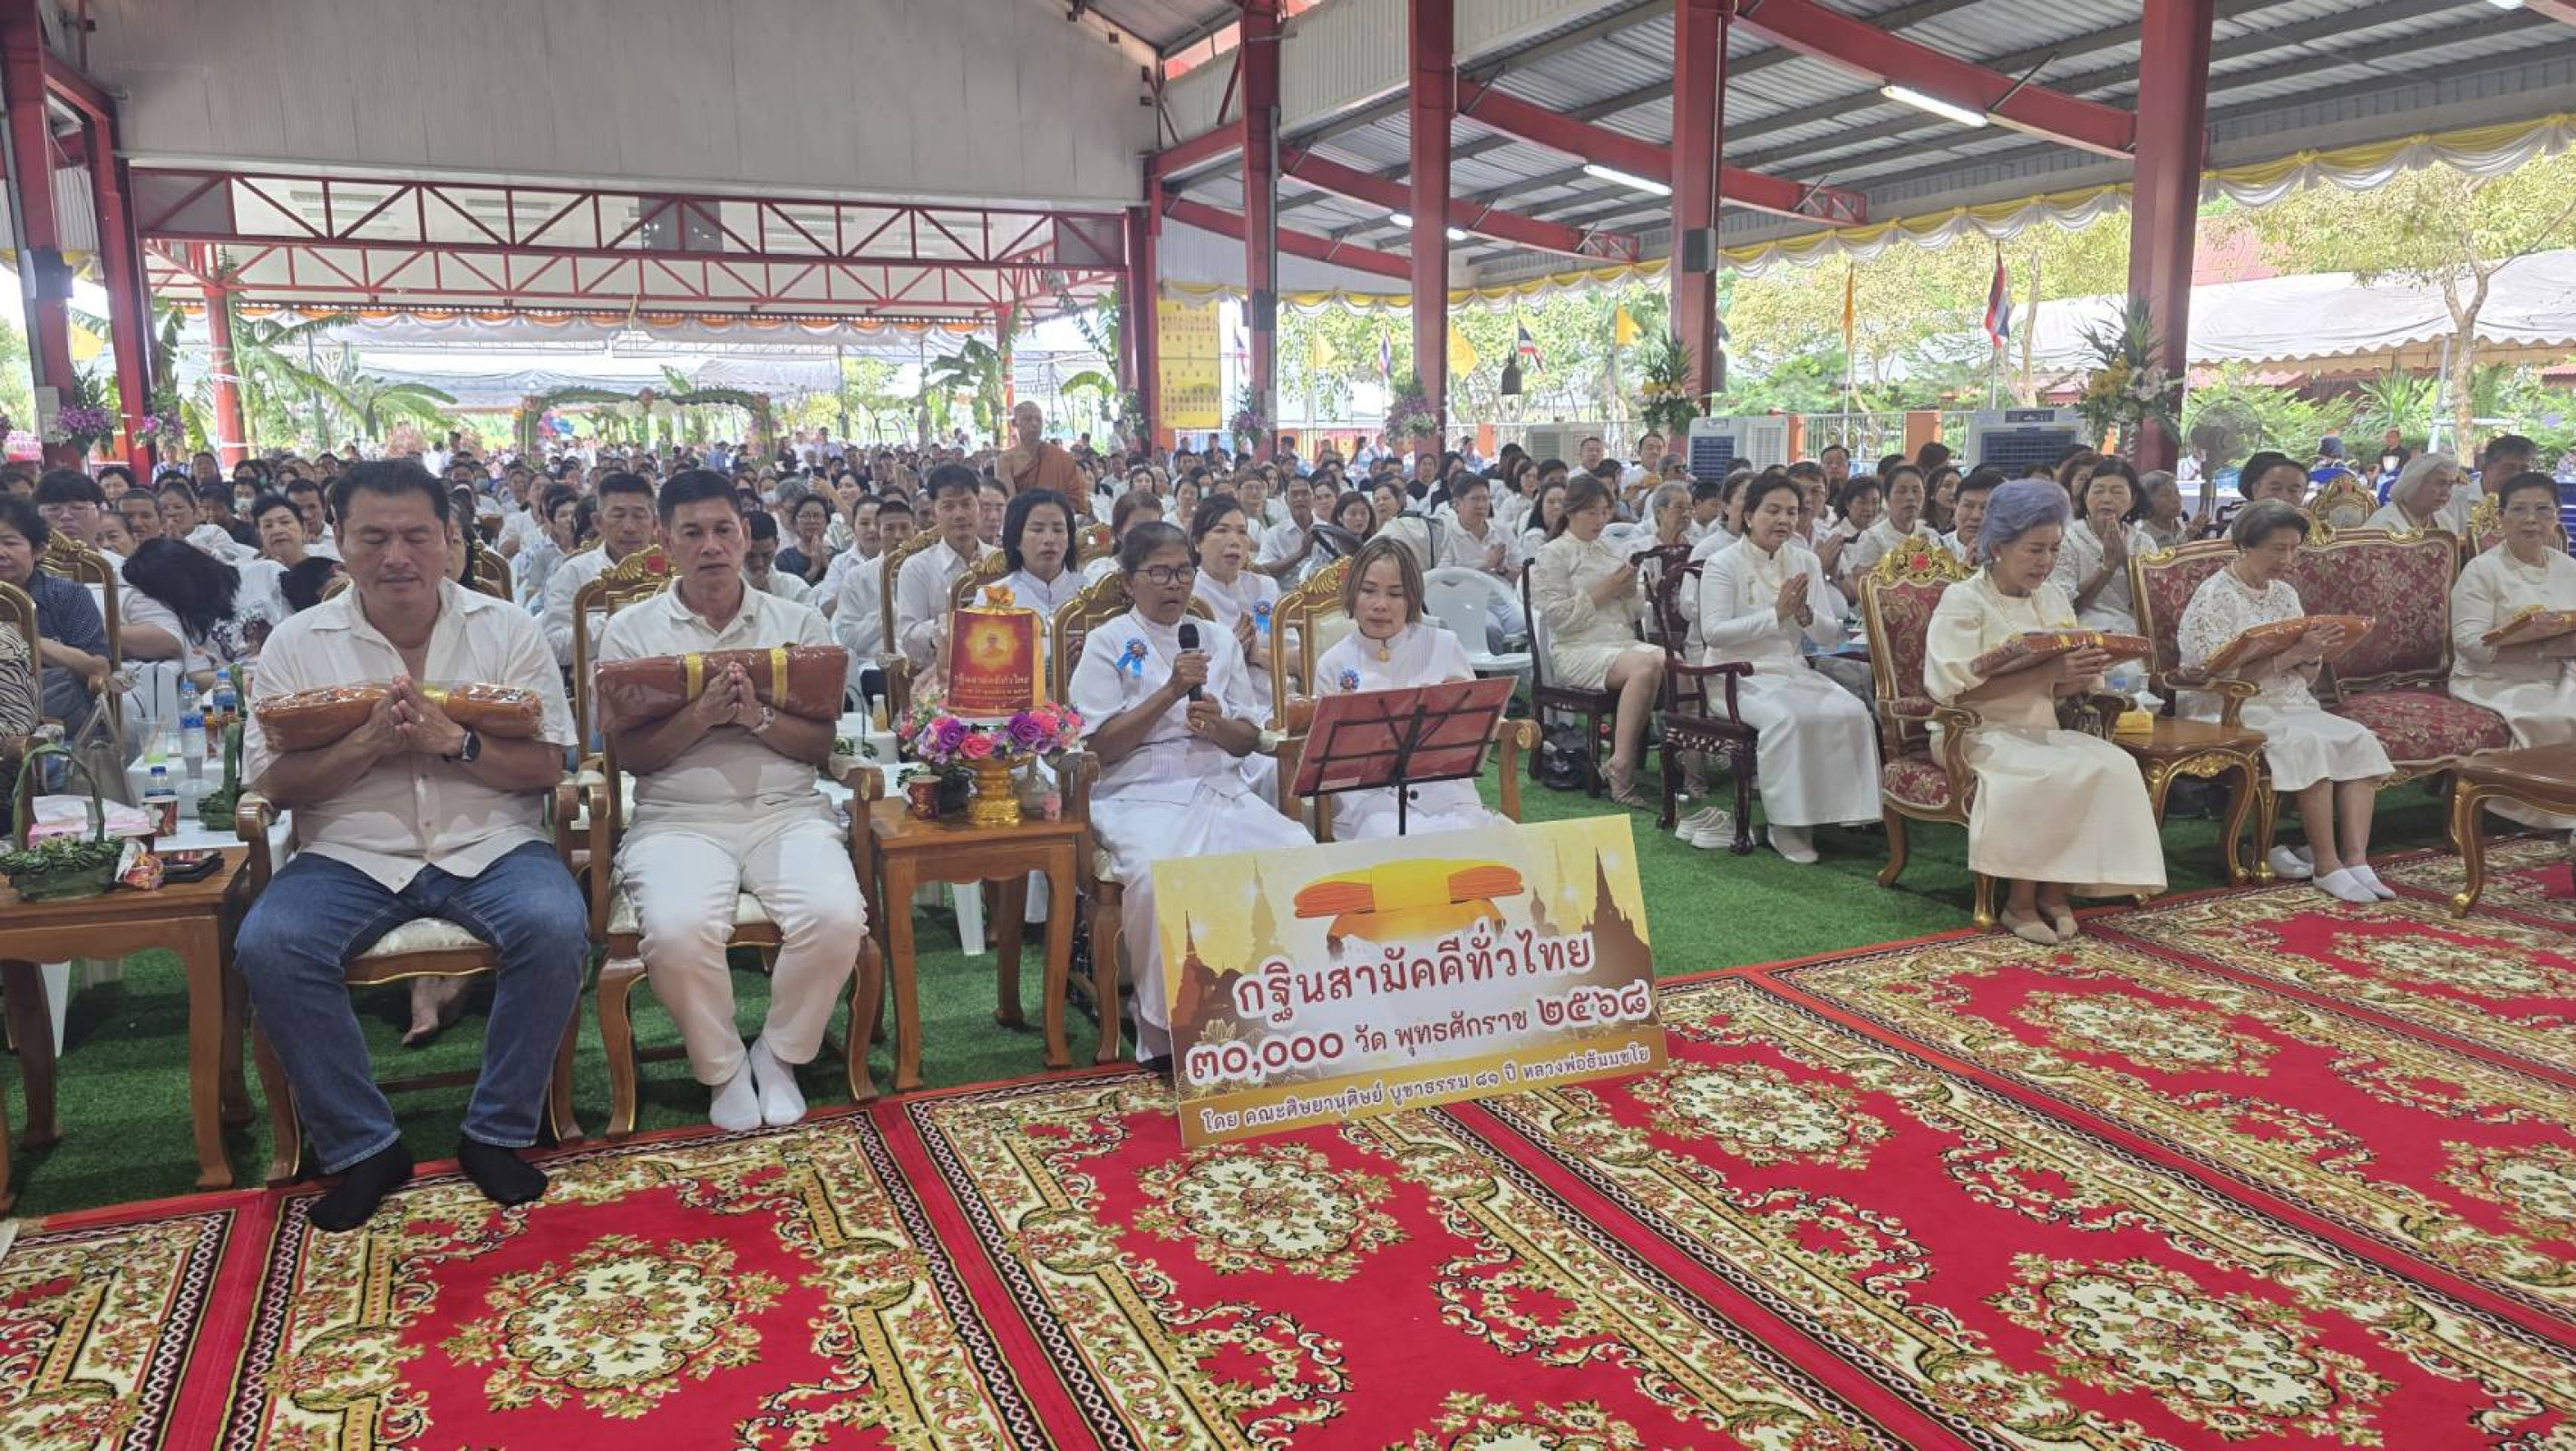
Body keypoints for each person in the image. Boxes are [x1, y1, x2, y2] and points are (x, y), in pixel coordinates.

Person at [232, 461, 587, 1231]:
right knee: (272, 943)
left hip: (490, 840)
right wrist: (366, 745)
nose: (397, 556)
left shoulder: (506, 629)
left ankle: (497, 1130)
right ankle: (363, 1146)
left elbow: (546, 766)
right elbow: (273, 783)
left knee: (556, 925)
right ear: (338, 539)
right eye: (374, 537)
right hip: (350, 850)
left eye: (416, 535)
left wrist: (454, 742)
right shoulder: (298, 643)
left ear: (449, 537)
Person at [598, 470, 862, 1131]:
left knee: (835, 919)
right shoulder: (632, 631)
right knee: (678, 932)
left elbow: (819, 743)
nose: (710, 546)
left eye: (723, 530)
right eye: (692, 533)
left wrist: (755, 718)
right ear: (666, 542)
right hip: (677, 819)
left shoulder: (797, 621)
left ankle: (779, 1053)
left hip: (786, 812)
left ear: (745, 535)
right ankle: (720, 1068)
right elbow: (630, 757)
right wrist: (700, 716)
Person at [1066, 522, 1315, 1066]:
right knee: (1159, 875)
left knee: (1296, 851)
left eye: (1182, 571)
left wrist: (1218, 726)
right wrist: (1170, 692)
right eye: (1159, 572)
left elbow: (1248, 738)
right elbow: (1099, 746)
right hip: (1136, 793)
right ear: (1129, 581)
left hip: (1216, 784)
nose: (1174, 583)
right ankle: (1168, 1031)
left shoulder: (1218, 639)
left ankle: (1284, 1014)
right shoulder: (1108, 642)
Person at [1925, 480, 2167, 944]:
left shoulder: (2052, 598)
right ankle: (2018, 903)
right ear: (1998, 547)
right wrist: (2047, 671)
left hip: (2040, 726)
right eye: (2035, 550)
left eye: (2054, 549)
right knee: (2046, 772)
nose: (2046, 562)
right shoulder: (1963, 599)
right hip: (1973, 730)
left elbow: (2061, 688)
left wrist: (2086, 669)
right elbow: (1951, 692)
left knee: (2113, 764)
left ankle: (2056, 891)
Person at [2180, 500, 2394, 903]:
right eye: (2278, 549)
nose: (2287, 559)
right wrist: (2294, 654)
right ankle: (2327, 865)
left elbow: (2306, 677)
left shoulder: (2285, 594)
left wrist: (2314, 653)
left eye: (2294, 548)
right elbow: (2212, 676)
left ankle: (2356, 860)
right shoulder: (2214, 596)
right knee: (2305, 742)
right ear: (2245, 545)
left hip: (2289, 701)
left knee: (2358, 737)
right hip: (2227, 706)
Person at [1695, 476, 1881, 863]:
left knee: (1852, 711)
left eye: (1792, 512)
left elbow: (1828, 635)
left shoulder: (1805, 560)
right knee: (1790, 719)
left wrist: (1805, 615)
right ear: (1749, 515)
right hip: (1735, 675)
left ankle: (1842, 814)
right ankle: (1787, 825)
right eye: (1773, 510)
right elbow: (1714, 633)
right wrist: (1776, 615)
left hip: (1792, 670)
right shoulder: (1722, 562)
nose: (1784, 520)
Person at [1310, 537, 1508, 840]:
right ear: (1352, 594)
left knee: (1475, 838)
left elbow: (1479, 731)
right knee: (1391, 838)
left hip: (1446, 792)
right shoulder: (1332, 663)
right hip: (1369, 801)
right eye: (1368, 591)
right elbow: (1327, 764)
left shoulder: (1444, 645)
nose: (1380, 605)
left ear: (1412, 598)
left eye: (1395, 594)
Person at [2447, 472, 2576, 835]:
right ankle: (2554, 809)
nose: (2531, 519)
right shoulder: (2482, 570)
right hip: (2493, 679)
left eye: (2542, 510)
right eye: (2519, 509)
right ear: (2501, 517)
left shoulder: (2568, 567)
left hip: (2562, 673)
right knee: (2557, 714)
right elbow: (2470, 644)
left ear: (2556, 516)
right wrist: (2545, 648)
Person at [1529, 476, 1664, 809]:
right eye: (1591, 512)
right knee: (1644, 666)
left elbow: (1635, 612)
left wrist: (1630, 591)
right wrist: (1603, 592)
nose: (1600, 520)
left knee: (1674, 664)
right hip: (1575, 649)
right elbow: (1557, 618)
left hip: (1619, 642)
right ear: (1571, 512)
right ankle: (1620, 765)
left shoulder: (1610, 549)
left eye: (1605, 512)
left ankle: (1684, 765)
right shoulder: (1552, 553)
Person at [0, 496, 111, 731]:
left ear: (39, 550)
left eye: (9, 542)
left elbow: (98, 669)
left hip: (58, 722)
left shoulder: (68, 595)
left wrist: (22, 636)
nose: (1, 553)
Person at [120, 538, 286, 679]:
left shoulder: (265, 572)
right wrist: (243, 682)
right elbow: (198, 676)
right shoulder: (186, 623)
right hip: (249, 694)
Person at [541, 471, 657, 667]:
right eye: (618, 516)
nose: (629, 527)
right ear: (598, 522)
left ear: (654, 523)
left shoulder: (673, 569)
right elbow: (552, 646)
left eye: (639, 516)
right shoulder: (574, 572)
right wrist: (617, 619)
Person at [893, 464, 998, 669]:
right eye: (948, 507)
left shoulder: (1000, 561)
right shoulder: (916, 568)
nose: (960, 514)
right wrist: (951, 626)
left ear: (979, 507)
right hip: (942, 673)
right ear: (934, 513)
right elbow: (908, 636)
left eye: (967, 504)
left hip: (1000, 669)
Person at [1188, 494, 1279, 719]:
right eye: (1221, 531)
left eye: (1242, 532)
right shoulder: (1186, 593)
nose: (1234, 541)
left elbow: (1300, 659)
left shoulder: (1265, 587)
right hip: (1223, 711)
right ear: (1197, 542)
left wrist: (1258, 655)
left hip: (1278, 701)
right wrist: (1231, 649)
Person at [2047, 459, 2152, 633]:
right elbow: (2064, 607)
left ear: (2132, 500)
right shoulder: (2068, 538)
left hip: (2134, 632)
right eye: (2098, 491)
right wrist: (2107, 568)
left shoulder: (2143, 541)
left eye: (2117, 492)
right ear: (2085, 496)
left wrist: (2127, 563)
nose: (2106, 499)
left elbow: (2155, 604)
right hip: (2081, 632)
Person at [1840, 465, 1939, 589]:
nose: (1910, 497)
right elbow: (1862, 587)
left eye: (1916, 490)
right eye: (1902, 491)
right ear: (1887, 499)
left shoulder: (1932, 537)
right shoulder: (1873, 538)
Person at [996, 399, 1082, 495]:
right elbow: (1009, 500)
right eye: (1028, 419)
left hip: (1057, 504)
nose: (1035, 424)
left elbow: (1075, 496)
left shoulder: (1062, 458)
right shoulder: (1006, 460)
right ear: (1014, 423)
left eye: (1039, 419)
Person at [2366, 453, 2459, 535]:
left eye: (2450, 485)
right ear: (2415, 484)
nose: (2446, 492)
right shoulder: (2382, 526)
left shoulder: (2444, 520)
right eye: (2440, 483)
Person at [742, 511, 812, 604]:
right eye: (751, 556)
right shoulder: (726, 588)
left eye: (766, 555)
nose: (759, 563)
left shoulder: (795, 587)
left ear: (777, 544)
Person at [773, 492, 835, 585]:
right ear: (795, 523)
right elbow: (788, 591)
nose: (812, 521)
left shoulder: (839, 558)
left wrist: (828, 566)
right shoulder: (785, 559)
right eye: (805, 516)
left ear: (827, 522)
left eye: (817, 516)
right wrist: (814, 568)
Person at [1942, 468, 2001, 564]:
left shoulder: (2009, 551)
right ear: (1955, 506)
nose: (1976, 516)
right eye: (1968, 506)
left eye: (1984, 507)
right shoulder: (1934, 548)